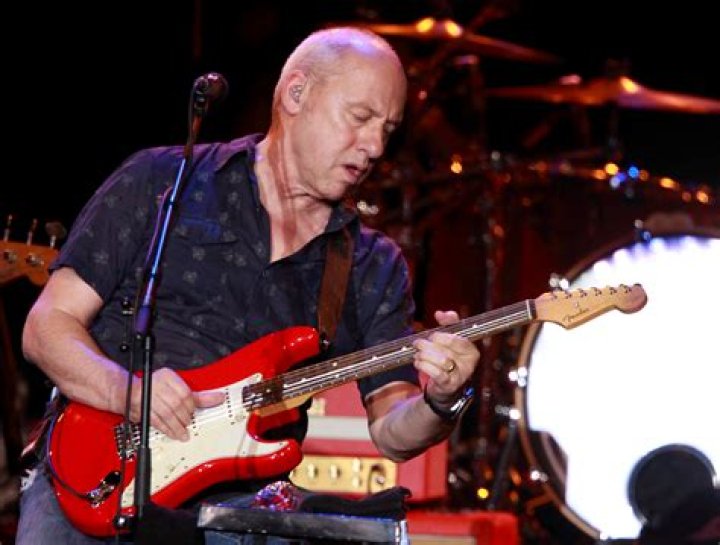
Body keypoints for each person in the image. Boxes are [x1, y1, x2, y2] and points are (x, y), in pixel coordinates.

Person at [15, 26, 481, 545]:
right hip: (97, 465)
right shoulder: (163, 180)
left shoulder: (371, 263)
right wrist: (126, 391)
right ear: (296, 93)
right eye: (360, 117)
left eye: (387, 130)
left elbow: (393, 432)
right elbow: (47, 327)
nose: (374, 146)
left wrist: (442, 400)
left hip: (241, 507)